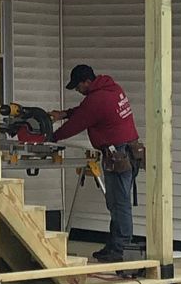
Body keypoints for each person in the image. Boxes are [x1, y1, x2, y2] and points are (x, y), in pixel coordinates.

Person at [54, 65, 142, 261]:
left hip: (118, 155)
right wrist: (65, 113)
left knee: (119, 203)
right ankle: (114, 245)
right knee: (116, 202)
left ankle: (122, 249)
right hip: (130, 152)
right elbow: (86, 110)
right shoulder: (113, 89)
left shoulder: (97, 99)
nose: (78, 91)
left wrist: (52, 137)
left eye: (78, 87)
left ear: (86, 81)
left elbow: (78, 122)